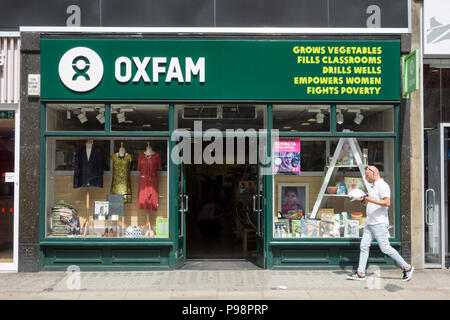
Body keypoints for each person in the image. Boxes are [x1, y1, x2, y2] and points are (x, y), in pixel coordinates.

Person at [347, 165, 414, 281]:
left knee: (385, 248)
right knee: (364, 246)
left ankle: (407, 267)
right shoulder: (373, 186)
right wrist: (364, 199)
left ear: (374, 173)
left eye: (367, 175)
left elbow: (387, 203)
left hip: (379, 223)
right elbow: (374, 202)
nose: (366, 177)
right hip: (370, 222)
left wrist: (369, 200)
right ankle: (360, 273)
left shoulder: (383, 186)